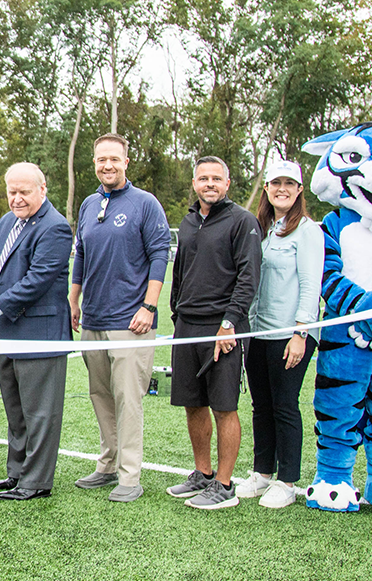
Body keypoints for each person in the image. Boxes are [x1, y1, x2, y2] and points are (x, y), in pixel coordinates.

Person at [68, 133, 171, 503]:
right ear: (94, 162)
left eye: (114, 159)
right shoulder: (89, 203)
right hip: (92, 319)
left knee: (128, 399)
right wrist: (74, 298)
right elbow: (80, 254)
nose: (107, 165)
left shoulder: (145, 203)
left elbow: (160, 256)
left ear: (126, 161)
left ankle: (130, 477)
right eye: (100, 160)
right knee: (100, 395)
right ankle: (107, 465)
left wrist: (149, 306)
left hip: (130, 321)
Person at [0, 162, 73, 501]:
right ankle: (17, 472)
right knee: (15, 409)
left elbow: (36, 281)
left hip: (38, 334)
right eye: (12, 192)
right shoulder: (10, 221)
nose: (16, 199)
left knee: (39, 412)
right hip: (5, 332)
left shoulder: (55, 227)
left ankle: (36, 481)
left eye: (24, 192)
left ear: (43, 189)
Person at [165, 156, 262, 509]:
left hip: (224, 328)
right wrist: (177, 315)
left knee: (224, 406)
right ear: (194, 183)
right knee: (193, 404)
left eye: (216, 179)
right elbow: (180, 274)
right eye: (203, 178)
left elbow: (249, 278)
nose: (209, 184)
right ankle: (202, 474)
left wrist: (229, 323)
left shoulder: (243, 221)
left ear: (227, 183)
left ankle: (224, 485)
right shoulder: (189, 222)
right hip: (188, 327)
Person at [235, 160, 322, 508]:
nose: (281, 189)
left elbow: (310, 284)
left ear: (299, 190)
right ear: (267, 188)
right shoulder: (262, 228)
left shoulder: (308, 231)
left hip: (291, 333)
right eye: (275, 183)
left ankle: (287, 481)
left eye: (289, 184)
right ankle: (262, 472)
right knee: (261, 406)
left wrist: (301, 332)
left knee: (285, 405)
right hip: (258, 333)